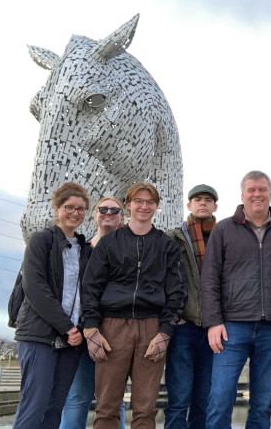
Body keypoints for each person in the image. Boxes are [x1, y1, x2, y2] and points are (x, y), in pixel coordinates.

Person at [81, 182, 185, 429]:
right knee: (106, 408)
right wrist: (91, 328)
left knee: (145, 409)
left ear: (156, 207)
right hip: (112, 328)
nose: (144, 206)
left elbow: (176, 291)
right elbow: (90, 287)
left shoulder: (166, 245)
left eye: (150, 202)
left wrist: (166, 331)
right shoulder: (109, 243)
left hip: (152, 330)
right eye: (138, 201)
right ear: (128, 205)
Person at [201, 170, 271, 429]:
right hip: (231, 328)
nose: (257, 194)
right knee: (220, 398)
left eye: (262, 189)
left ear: (270, 193)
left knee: (263, 403)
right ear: (242, 195)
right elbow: (209, 278)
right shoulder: (223, 229)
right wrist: (213, 321)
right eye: (252, 190)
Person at [13, 182, 92, 429]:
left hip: (71, 341)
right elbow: (35, 288)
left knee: (54, 407)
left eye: (80, 209)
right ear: (57, 209)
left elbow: (87, 294)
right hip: (39, 335)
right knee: (34, 405)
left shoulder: (85, 250)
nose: (75, 213)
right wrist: (66, 326)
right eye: (69, 207)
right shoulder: (40, 241)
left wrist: (79, 329)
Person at [60, 197, 127, 429]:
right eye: (103, 209)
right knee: (77, 398)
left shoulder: (129, 252)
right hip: (82, 331)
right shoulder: (79, 250)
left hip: (116, 333)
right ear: (94, 215)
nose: (108, 212)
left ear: (122, 217)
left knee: (112, 400)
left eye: (114, 210)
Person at [164, 184, 219, 429]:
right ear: (189, 205)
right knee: (178, 399)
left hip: (214, 328)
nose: (203, 203)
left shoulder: (224, 236)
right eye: (198, 199)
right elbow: (161, 278)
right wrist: (173, 315)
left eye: (208, 200)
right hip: (184, 327)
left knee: (205, 400)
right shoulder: (173, 237)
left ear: (215, 206)